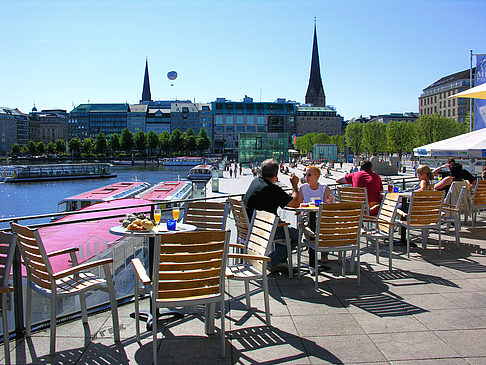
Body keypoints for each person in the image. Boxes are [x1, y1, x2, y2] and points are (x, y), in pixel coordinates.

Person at [243, 158, 300, 272]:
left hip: (250, 227)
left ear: (261, 172)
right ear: (276, 174)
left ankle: (281, 263)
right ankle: (272, 261)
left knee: (283, 228)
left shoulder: (255, 182)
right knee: (297, 234)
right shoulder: (272, 189)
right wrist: (294, 185)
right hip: (263, 231)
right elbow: (295, 203)